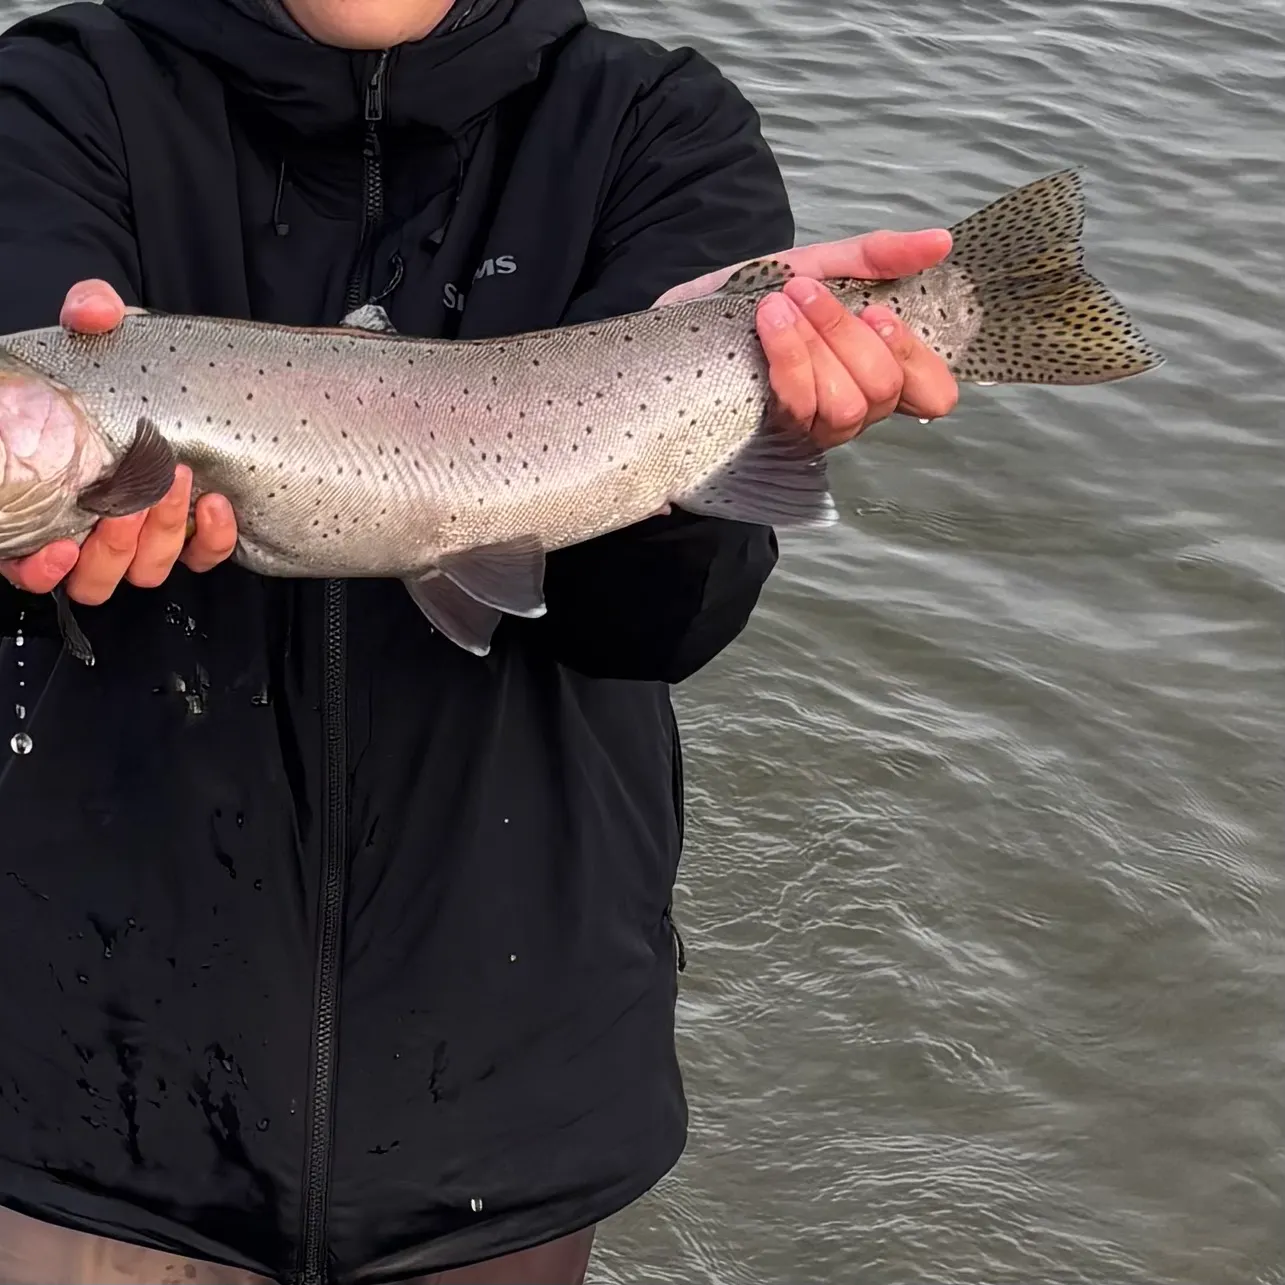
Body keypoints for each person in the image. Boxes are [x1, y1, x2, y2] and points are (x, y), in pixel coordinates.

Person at [0, 0, 958, 1280]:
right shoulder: (54, 93)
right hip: (79, 1089)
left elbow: (663, 626)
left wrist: (726, 406)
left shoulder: (657, 125)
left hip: (507, 1101)